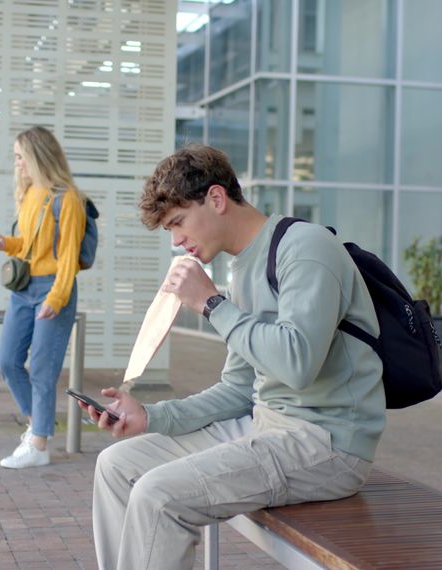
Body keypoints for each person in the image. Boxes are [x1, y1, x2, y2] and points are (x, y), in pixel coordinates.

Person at [78, 144, 386, 569]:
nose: (176, 240)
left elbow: (297, 365)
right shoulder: (243, 267)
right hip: (265, 425)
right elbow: (239, 389)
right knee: (117, 465)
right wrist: (151, 416)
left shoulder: (307, 248)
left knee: (159, 496)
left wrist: (212, 305)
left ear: (217, 199)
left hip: (326, 443)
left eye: (179, 222)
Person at [0, 126, 87, 469]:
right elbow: (29, 244)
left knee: (42, 369)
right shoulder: (29, 194)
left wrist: (56, 299)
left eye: (20, 157)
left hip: (54, 287)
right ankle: (36, 427)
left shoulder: (66, 198)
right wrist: (6, 244)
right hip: (24, 289)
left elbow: (68, 256)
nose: (17, 164)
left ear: (37, 156)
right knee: (8, 360)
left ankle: (39, 445)